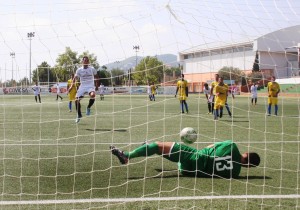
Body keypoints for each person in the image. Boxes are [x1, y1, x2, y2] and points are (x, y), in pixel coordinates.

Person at [110, 140, 260, 178]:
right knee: (165, 151)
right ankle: (147, 147)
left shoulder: (232, 146)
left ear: (246, 152)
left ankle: (127, 156)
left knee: (157, 146)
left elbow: (211, 146)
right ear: (248, 167)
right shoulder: (235, 173)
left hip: (194, 157)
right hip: (189, 171)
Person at [69, 56, 99, 123]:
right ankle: (79, 115)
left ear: (88, 62)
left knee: (93, 95)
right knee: (76, 100)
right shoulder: (79, 70)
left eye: (87, 61)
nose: (85, 62)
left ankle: (88, 107)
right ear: (82, 62)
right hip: (82, 86)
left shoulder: (92, 69)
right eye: (84, 61)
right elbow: (75, 78)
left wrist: (97, 86)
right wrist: (71, 86)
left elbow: (97, 77)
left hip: (90, 86)